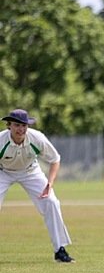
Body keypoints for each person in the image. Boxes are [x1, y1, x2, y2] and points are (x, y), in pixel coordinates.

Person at [0, 109, 74, 263]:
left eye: (24, 125)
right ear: (9, 126)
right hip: (3, 172)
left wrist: (50, 184)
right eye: (16, 125)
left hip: (30, 171)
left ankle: (59, 250)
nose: (21, 129)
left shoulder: (37, 138)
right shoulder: (1, 140)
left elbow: (55, 159)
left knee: (51, 202)